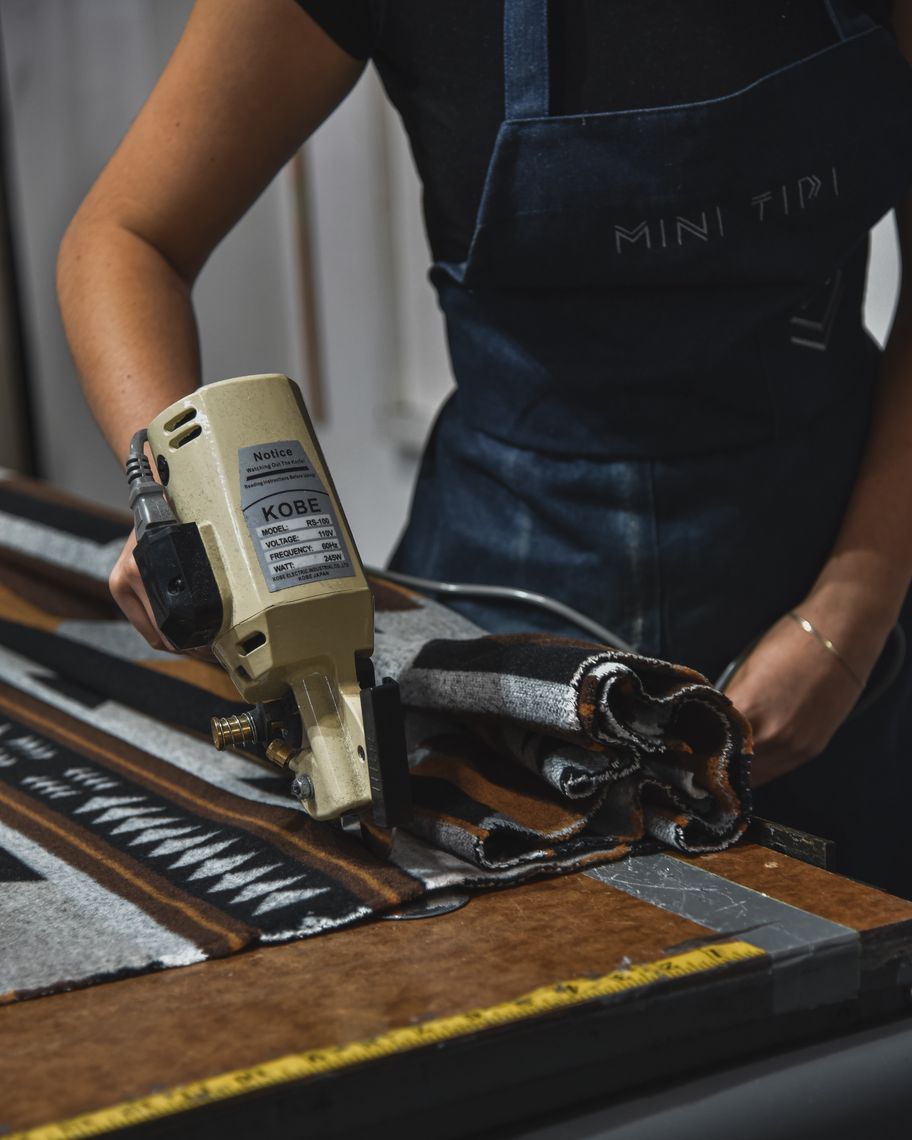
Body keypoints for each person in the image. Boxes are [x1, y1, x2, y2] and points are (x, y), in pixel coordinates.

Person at [57, 0, 912, 898]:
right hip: (499, 621)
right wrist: (177, 501)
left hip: (846, 587)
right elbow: (125, 239)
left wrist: (851, 613)